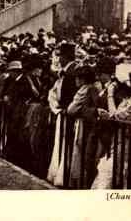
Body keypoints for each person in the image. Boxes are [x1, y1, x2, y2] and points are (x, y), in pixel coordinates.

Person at [47, 43, 78, 187]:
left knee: (67, 142)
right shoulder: (67, 71)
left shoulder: (72, 72)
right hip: (63, 112)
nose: (59, 59)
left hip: (68, 113)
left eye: (61, 56)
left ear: (66, 57)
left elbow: (69, 94)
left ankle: (65, 175)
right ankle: (61, 172)